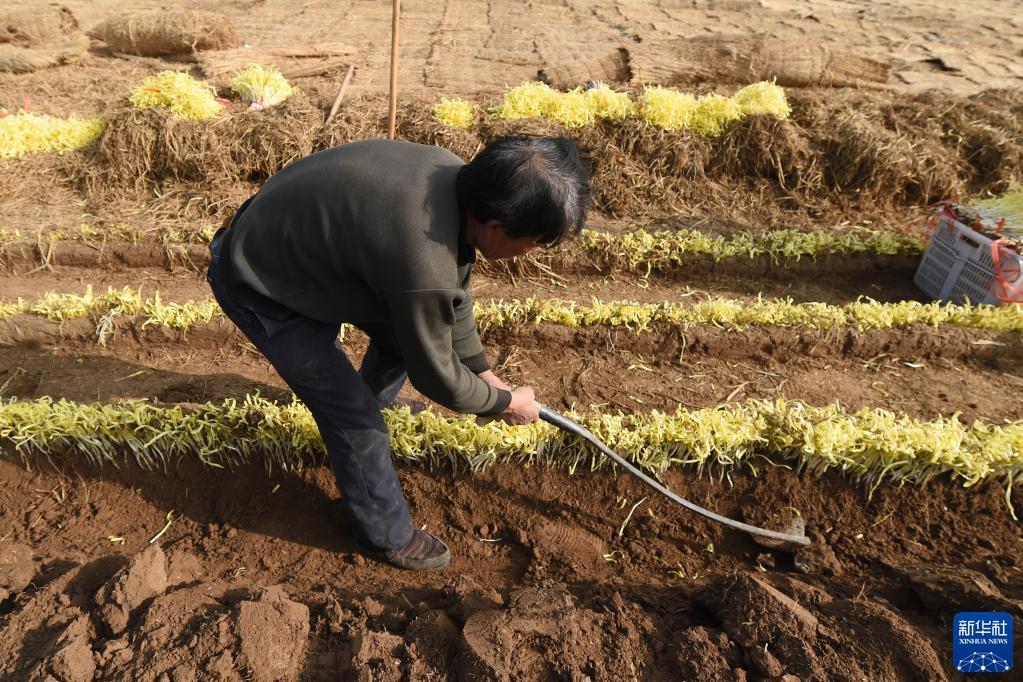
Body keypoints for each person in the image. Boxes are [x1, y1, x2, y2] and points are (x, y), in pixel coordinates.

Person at [206, 136, 592, 570]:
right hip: (259, 281)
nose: (532, 252)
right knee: (352, 416)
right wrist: (503, 403)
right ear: (496, 226)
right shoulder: (422, 257)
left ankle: (374, 402)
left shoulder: (455, 181)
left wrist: (484, 373)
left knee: (400, 336)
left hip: (301, 249)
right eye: (536, 241)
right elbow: (437, 377)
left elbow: (452, 296)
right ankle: (384, 535)